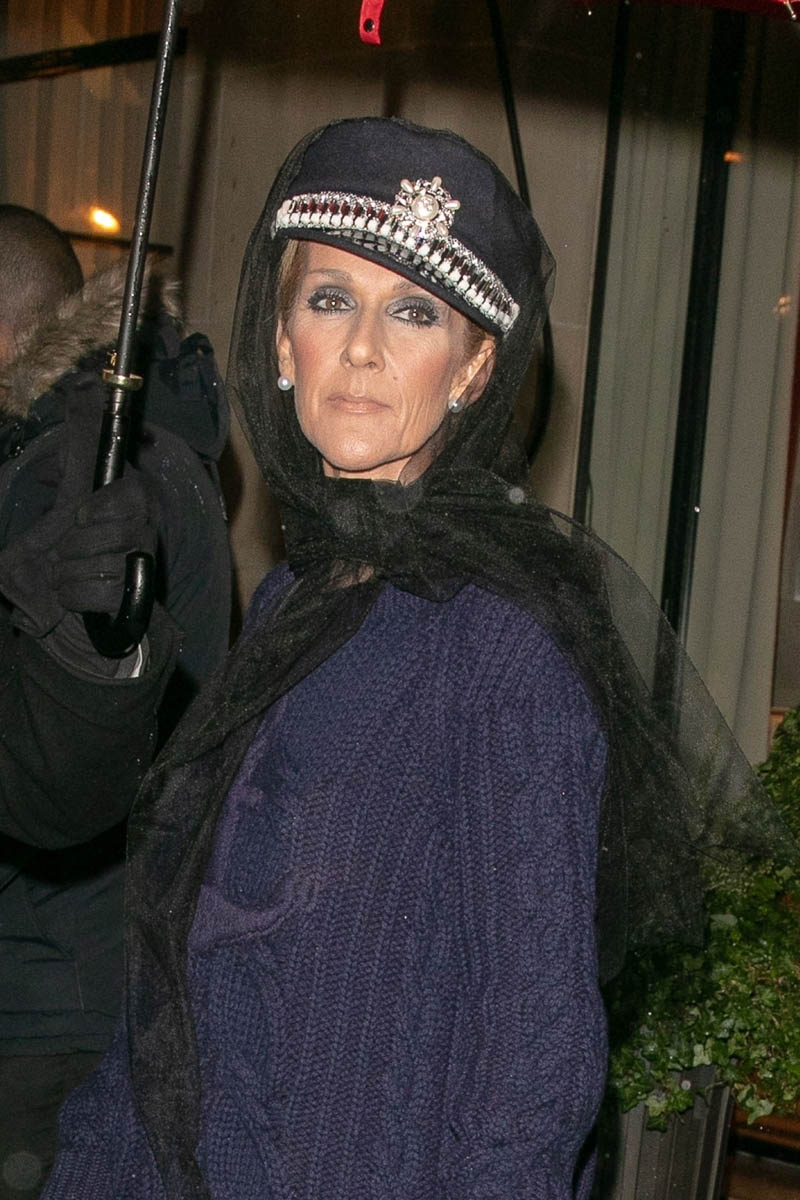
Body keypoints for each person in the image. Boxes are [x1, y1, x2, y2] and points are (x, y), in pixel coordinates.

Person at [42, 118, 787, 1200]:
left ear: (475, 368)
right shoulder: (296, 601)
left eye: (414, 311)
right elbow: (178, 977)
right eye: (329, 299)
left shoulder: (505, 641)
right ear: (279, 341)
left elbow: (535, 1061)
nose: (361, 348)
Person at [0, 206, 231, 1198]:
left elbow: (53, 773)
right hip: (91, 994)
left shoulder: (72, 475)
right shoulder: (134, 452)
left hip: (44, 1015)